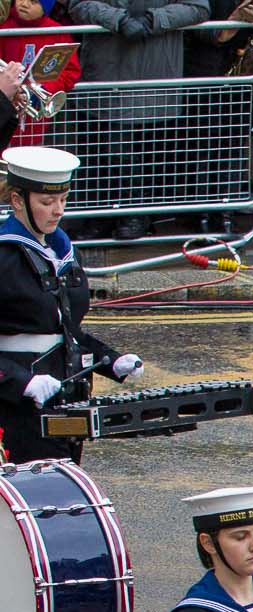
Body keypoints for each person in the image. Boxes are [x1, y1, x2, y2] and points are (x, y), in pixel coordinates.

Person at [0, 147, 145, 467]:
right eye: (47, 202)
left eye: (63, 199)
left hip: (66, 397)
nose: (58, 210)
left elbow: (65, 329)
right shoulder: (3, 256)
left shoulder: (63, 252)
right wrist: (21, 382)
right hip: (14, 408)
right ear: (16, 200)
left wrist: (112, 360)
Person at [66, 0, 209, 240]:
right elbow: (78, 4)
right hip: (105, 72)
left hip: (155, 75)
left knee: (145, 152)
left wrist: (154, 19)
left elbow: (198, 7)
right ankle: (99, 216)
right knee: (101, 149)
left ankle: (136, 215)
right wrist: (117, 19)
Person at [2, 3, 82, 148]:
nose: (24, 3)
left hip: (36, 119)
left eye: (34, 1)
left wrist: (45, 89)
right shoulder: (4, 29)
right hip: (5, 111)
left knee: (31, 157)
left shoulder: (57, 32)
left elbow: (70, 71)